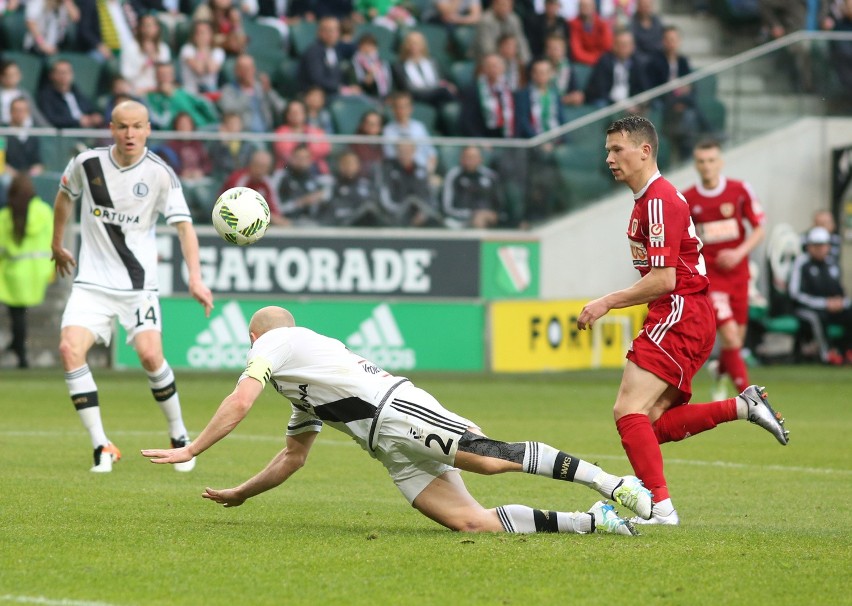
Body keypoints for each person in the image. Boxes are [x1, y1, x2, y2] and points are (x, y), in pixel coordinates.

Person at [142, 305, 655, 536]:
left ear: (258, 339)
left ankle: (612, 483)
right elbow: (293, 457)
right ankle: (595, 522)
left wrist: (192, 449)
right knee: (470, 522)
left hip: (397, 412)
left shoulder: (277, 340)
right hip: (388, 449)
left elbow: (238, 401)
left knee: (490, 460)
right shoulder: (300, 388)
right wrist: (240, 494)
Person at [576, 115, 789, 525]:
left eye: (616, 149)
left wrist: (606, 302)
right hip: (684, 312)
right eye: (607, 150)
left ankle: (659, 507)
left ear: (644, 150)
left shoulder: (658, 201)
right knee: (650, 425)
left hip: (679, 310)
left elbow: (663, 279)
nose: (609, 158)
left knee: (628, 411)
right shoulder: (649, 200)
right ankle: (742, 406)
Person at [50, 100, 214, 473]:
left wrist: (195, 278)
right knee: (69, 349)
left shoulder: (160, 174)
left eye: (137, 126)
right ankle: (102, 446)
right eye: (123, 127)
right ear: (111, 128)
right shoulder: (86, 163)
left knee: (151, 357)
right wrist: (56, 243)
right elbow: (64, 197)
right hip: (92, 284)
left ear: (148, 129)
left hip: (139, 287)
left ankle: (179, 435)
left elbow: (185, 227)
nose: (130, 134)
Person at [683, 139, 765, 399]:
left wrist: (739, 252)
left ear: (720, 162)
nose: (706, 167)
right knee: (730, 336)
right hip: (712, 278)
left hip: (740, 275)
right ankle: (750, 397)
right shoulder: (688, 199)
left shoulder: (740, 190)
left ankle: (720, 372)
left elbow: (759, 228)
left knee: (736, 340)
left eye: (711, 161)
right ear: (695, 164)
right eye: (701, 162)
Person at [0, 174, 54, 369]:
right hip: (38, 271)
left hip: (13, 271)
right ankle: (18, 347)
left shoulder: (6, 216)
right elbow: (53, 240)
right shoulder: (45, 211)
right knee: (21, 314)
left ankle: (20, 351)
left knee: (17, 314)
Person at [788, 226, 852, 365]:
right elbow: (795, 293)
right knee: (817, 318)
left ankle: (846, 350)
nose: (820, 249)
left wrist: (841, 302)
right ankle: (827, 354)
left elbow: (839, 290)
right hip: (805, 308)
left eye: (823, 245)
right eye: (816, 245)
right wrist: (824, 303)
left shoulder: (831, 265)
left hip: (830, 307)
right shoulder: (802, 264)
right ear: (809, 246)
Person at [218, 53, 286, 134]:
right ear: (237, 71)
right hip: (245, 135)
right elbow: (229, 111)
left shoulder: (261, 88)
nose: (249, 71)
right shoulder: (228, 90)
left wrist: (269, 91)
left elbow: (282, 108)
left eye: (251, 67)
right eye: (245, 69)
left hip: (267, 133)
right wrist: (246, 91)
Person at [584, 28, 651, 108]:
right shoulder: (605, 61)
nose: (625, 48)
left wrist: (636, 102)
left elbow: (643, 87)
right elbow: (600, 90)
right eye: (622, 45)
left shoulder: (637, 63)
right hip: (608, 102)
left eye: (628, 45)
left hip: (629, 102)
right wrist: (620, 104)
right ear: (614, 46)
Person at [379, 141, 440, 227]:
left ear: (413, 151)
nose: (404, 154)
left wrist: (423, 214)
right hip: (397, 217)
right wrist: (402, 212)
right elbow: (385, 200)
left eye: (407, 150)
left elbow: (430, 197)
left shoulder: (422, 171)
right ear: (396, 152)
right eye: (401, 151)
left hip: (421, 218)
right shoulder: (388, 170)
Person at [221, 148, 288, 226]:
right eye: (258, 166)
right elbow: (234, 208)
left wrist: (278, 219)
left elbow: (275, 209)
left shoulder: (267, 183)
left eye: (264, 167)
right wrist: (268, 217)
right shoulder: (238, 179)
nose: (260, 170)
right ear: (251, 165)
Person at [441, 145, 502, 229]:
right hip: (460, 220)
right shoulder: (454, 175)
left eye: (474, 157)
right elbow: (447, 208)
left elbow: (499, 203)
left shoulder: (490, 176)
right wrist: (472, 214)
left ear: (481, 159)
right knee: (478, 220)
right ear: (461, 159)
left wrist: (494, 214)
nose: (470, 160)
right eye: (468, 157)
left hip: (488, 217)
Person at [147, 61, 219, 130]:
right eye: (162, 74)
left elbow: (207, 108)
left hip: (198, 133)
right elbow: (160, 123)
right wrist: (171, 97)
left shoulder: (185, 92)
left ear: (173, 75)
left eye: (168, 73)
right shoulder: (151, 98)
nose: (165, 77)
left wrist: (174, 95)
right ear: (156, 76)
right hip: (169, 139)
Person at [37, 59, 105, 129]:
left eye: (67, 72)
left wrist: (94, 116)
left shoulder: (76, 91)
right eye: (61, 72)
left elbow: (89, 108)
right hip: (65, 134)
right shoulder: (46, 95)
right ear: (52, 75)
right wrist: (77, 122)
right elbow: (51, 119)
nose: (64, 76)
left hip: (86, 131)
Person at [381, 91, 437, 174]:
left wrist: (429, 173)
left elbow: (431, 153)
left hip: (421, 173)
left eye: (405, 106)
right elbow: (389, 155)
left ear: (411, 108)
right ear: (393, 109)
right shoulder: (388, 130)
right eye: (399, 107)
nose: (402, 110)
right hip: (398, 173)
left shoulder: (419, 127)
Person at [273, 99, 332, 174]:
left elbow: (325, 149)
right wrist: (301, 159)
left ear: (305, 114)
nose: (296, 114)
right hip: (288, 167)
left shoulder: (316, 131)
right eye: (292, 112)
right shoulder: (281, 132)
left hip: (315, 168)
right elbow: (283, 151)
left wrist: (306, 159)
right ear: (287, 115)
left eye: (298, 112)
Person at [121, 13, 172, 96]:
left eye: (153, 25)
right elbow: (126, 76)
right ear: (140, 28)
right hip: (138, 90)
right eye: (146, 25)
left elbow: (168, 75)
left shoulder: (164, 48)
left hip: (159, 90)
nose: (149, 29)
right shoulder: (131, 48)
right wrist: (145, 65)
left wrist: (155, 59)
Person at [473, 0, 532, 65]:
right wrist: (503, 56)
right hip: (485, 59)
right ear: (494, 4)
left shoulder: (514, 19)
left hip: (510, 57)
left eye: (508, 5)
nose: (505, 8)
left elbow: (521, 41)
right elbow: (486, 48)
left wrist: (526, 60)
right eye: (502, 4)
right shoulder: (485, 21)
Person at [178, 19, 225, 95]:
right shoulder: (187, 49)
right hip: (190, 93)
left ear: (211, 35)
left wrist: (205, 49)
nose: (201, 36)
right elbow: (199, 69)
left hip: (210, 93)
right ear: (193, 35)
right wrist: (201, 49)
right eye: (198, 33)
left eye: (205, 33)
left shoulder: (218, 52)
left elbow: (211, 69)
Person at [569, 0, 613, 66]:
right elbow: (576, 52)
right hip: (581, 63)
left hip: (601, 62)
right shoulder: (573, 24)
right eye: (582, 6)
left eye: (588, 6)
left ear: (594, 7)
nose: (585, 9)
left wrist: (599, 60)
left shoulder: (602, 24)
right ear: (578, 8)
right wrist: (594, 60)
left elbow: (607, 46)